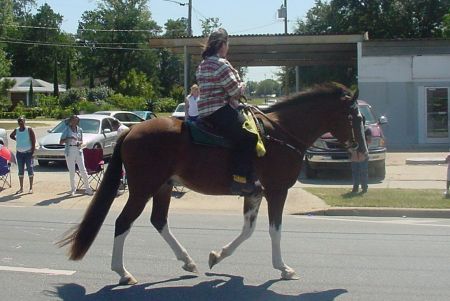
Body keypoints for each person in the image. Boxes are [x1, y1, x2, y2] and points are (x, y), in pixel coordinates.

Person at [196, 28, 259, 196]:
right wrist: (243, 85)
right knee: (249, 136)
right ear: (223, 45)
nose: (227, 47)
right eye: (227, 44)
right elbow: (235, 92)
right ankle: (240, 180)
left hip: (204, 111)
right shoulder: (221, 64)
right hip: (219, 110)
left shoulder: (203, 64)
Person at [59, 115, 93, 196]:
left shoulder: (80, 130)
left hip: (78, 150)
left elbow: (81, 140)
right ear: (70, 121)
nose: (75, 122)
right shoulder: (66, 130)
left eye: (76, 121)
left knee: (83, 169)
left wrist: (79, 143)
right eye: (73, 120)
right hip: (69, 150)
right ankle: (73, 189)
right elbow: (61, 142)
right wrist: (69, 138)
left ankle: (87, 188)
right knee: (72, 171)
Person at [9, 116, 36, 194]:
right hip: (19, 153)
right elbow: (11, 136)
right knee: (20, 170)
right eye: (19, 122)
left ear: (25, 121)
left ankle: (31, 188)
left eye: (22, 121)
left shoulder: (29, 129)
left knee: (30, 169)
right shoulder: (17, 130)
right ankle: (21, 188)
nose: (21, 123)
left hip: (28, 153)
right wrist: (17, 139)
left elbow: (33, 140)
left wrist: (33, 152)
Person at [350, 127, 372, 194]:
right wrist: (351, 151)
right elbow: (348, 142)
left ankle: (364, 187)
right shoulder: (351, 130)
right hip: (354, 155)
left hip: (363, 154)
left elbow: (369, 141)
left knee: (363, 172)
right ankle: (356, 187)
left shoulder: (367, 130)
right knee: (356, 172)